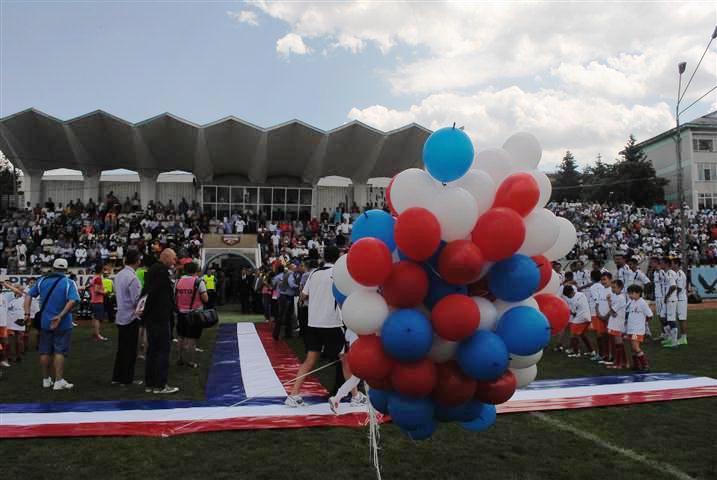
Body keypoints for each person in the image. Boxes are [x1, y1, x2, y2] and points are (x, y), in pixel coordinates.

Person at [285, 246, 345, 407]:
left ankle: (294, 394)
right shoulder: (339, 274)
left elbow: (303, 296)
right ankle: (354, 395)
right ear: (338, 257)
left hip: (314, 323)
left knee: (310, 359)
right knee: (345, 357)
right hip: (332, 322)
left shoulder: (313, 273)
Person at [24, 258, 80, 390]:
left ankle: (46, 379)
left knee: (44, 351)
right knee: (59, 351)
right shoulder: (68, 282)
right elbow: (73, 300)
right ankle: (58, 381)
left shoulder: (42, 280)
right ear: (65, 270)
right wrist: (60, 316)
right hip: (63, 323)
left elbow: (28, 295)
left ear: (53, 268)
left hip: (45, 322)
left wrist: (26, 313)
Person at [143, 248, 179, 394]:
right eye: (173, 258)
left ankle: (150, 384)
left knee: (152, 350)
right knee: (162, 350)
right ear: (165, 257)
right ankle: (160, 384)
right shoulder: (161, 272)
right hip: (160, 317)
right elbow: (157, 295)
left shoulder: (153, 270)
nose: (174, 261)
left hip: (153, 317)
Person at [112, 249, 143, 386]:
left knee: (122, 349)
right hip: (130, 316)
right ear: (137, 261)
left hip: (121, 315)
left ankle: (117, 377)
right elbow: (136, 299)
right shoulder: (132, 278)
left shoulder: (119, 275)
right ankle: (126, 378)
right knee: (130, 350)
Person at [175, 261, 208, 368]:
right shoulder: (199, 281)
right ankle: (191, 361)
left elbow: (175, 297)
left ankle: (180, 358)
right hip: (194, 314)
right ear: (196, 271)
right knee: (191, 339)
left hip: (181, 312)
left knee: (180, 336)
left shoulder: (178, 281)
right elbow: (205, 299)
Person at [328, 328, 367, 413]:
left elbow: (347, 337)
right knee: (358, 376)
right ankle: (337, 398)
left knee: (356, 377)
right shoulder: (359, 327)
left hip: (354, 350)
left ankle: (338, 398)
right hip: (359, 350)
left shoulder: (350, 327)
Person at [626, 284, 652, 372]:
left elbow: (650, 315)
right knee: (632, 348)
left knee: (635, 347)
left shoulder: (642, 303)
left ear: (638, 293)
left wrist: (643, 323)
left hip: (637, 330)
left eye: (631, 293)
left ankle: (645, 365)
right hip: (631, 329)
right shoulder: (631, 302)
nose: (630, 295)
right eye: (629, 293)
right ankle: (637, 365)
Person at [563, 285, 594, 358]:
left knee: (573, 334)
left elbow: (573, 312)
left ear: (570, 293)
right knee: (582, 335)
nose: (568, 297)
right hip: (587, 317)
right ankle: (591, 351)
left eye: (568, 296)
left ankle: (576, 352)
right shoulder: (581, 294)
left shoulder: (573, 300)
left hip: (580, 318)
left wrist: (569, 311)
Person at [606, 279, 628, 369]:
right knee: (618, 343)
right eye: (612, 287)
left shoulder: (621, 298)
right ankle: (624, 362)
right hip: (615, 322)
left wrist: (609, 302)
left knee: (618, 343)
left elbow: (613, 312)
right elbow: (612, 312)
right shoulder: (616, 296)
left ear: (620, 288)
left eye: (614, 288)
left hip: (618, 323)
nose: (612, 289)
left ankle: (619, 364)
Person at [662, 258, 679, 349]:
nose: (661, 264)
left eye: (662, 263)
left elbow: (673, 286)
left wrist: (666, 296)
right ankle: (671, 339)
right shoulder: (668, 273)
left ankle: (674, 342)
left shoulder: (669, 273)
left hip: (671, 300)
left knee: (671, 320)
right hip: (670, 299)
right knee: (666, 319)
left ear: (666, 264)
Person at [89, 264, 109, 341]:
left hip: (93, 300)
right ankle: (97, 335)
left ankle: (95, 334)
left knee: (94, 318)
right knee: (98, 319)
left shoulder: (93, 278)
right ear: (101, 270)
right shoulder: (98, 278)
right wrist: (105, 292)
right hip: (97, 301)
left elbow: (92, 288)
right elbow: (97, 290)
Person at [672, 258, 688, 346]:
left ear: (677, 264)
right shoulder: (676, 273)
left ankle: (684, 338)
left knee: (682, 318)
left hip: (681, 299)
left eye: (673, 263)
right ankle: (682, 337)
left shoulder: (680, 274)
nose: (671, 265)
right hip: (679, 298)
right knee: (680, 318)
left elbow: (679, 288)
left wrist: (673, 295)